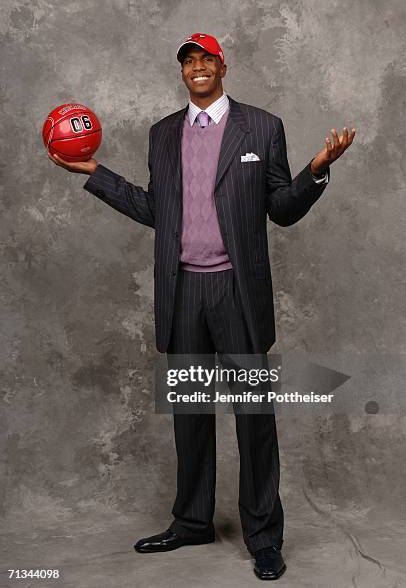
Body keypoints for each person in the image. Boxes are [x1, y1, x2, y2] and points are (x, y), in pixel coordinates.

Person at [48, 32, 355, 581]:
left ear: (222, 65)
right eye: (188, 61)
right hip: (183, 291)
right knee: (190, 415)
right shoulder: (162, 134)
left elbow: (281, 210)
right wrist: (97, 174)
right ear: (183, 72)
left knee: (254, 417)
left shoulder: (262, 127)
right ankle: (192, 521)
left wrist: (316, 169)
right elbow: (154, 210)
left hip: (237, 292)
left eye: (206, 59)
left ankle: (263, 537)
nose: (197, 68)